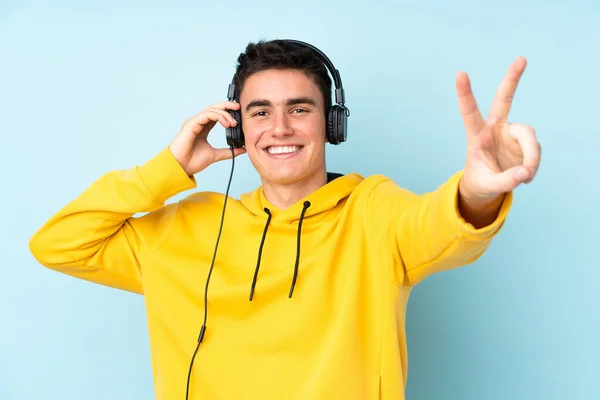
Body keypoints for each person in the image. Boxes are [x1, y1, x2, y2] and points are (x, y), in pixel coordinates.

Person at [29, 39, 541, 400]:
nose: (279, 128)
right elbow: (58, 244)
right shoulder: (183, 226)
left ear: (330, 123)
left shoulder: (375, 211)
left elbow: (443, 227)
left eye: (299, 109)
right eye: (259, 112)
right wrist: (166, 170)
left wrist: (475, 190)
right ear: (236, 129)